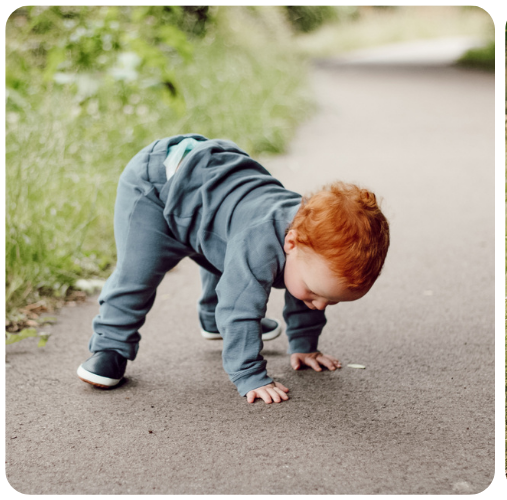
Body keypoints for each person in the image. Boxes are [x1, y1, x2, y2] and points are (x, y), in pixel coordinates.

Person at [76, 134, 390, 404]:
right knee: (138, 276)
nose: (319, 304)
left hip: (208, 198)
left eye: (330, 301)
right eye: (316, 293)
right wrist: (250, 375)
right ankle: (110, 348)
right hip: (158, 187)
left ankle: (214, 320)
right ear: (291, 243)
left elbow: (303, 292)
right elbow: (240, 308)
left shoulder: (310, 245)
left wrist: (305, 345)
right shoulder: (261, 242)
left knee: (228, 250)